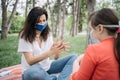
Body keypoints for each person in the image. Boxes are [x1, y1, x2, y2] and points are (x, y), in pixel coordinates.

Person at [18, 7, 77, 80]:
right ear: (32, 22)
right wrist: (50, 52)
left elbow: (55, 58)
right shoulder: (25, 35)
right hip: (33, 71)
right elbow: (30, 61)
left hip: (47, 67)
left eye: (44, 20)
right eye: (39, 21)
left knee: (74, 57)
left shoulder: (47, 34)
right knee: (32, 72)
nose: (42, 23)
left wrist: (57, 49)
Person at [69, 8, 120, 80]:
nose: (91, 32)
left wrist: (76, 62)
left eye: (91, 29)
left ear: (100, 28)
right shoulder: (117, 46)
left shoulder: (94, 49)